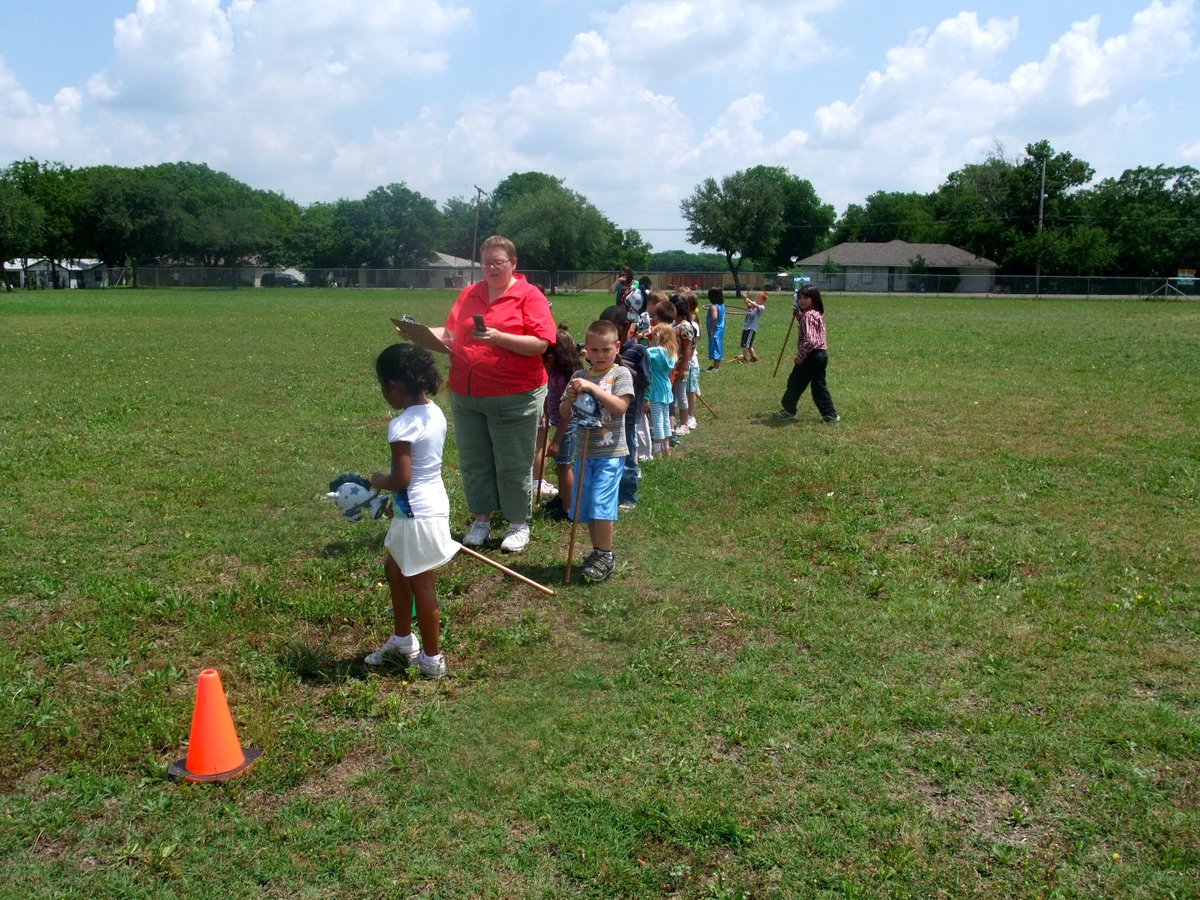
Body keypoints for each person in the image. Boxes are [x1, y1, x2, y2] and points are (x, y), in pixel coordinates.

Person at [427, 236, 557, 553]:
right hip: (467, 392)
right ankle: (481, 520)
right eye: (485, 262)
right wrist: (419, 334)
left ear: (513, 263)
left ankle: (517, 525)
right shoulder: (470, 294)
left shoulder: (530, 296)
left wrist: (499, 337)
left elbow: (541, 343)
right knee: (474, 460)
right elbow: (451, 335)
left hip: (514, 393)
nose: (490, 268)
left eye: (498, 261)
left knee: (513, 463)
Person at [365, 343, 458, 678]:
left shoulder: (402, 424)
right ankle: (403, 640)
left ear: (394, 385)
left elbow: (402, 478)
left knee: (422, 585)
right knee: (395, 569)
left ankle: (432, 659)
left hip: (418, 511)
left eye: (382, 385)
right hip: (429, 504)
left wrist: (378, 480)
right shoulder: (434, 412)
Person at [559, 320, 634, 582]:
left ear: (617, 347)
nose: (600, 356)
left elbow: (619, 407)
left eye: (606, 350)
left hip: (610, 453)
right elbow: (564, 413)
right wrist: (570, 397)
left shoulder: (620, 374)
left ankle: (607, 555)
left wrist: (594, 388)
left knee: (602, 503)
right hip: (585, 452)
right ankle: (597, 551)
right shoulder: (579, 377)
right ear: (585, 351)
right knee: (588, 504)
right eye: (595, 350)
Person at [599, 304, 648, 508]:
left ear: (625, 326)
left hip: (628, 412)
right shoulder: (605, 350)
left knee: (627, 454)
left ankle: (628, 495)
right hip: (606, 412)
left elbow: (645, 380)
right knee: (607, 452)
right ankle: (608, 490)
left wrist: (622, 364)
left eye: (610, 329)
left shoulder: (638, 351)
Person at [776, 285, 840, 423]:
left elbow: (810, 340)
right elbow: (811, 330)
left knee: (795, 382)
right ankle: (830, 414)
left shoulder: (808, 316)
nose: (801, 301)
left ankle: (789, 410)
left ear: (814, 299)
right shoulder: (816, 314)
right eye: (799, 298)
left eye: (805, 298)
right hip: (821, 355)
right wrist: (799, 316)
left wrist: (800, 356)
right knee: (818, 385)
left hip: (811, 355)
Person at [539, 324, 583, 521]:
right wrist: (547, 408)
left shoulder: (567, 378)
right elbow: (553, 398)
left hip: (568, 425)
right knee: (560, 465)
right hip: (559, 422)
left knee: (564, 466)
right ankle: (562, 497)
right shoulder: (556, 372)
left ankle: (569, 508)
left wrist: (556, 440)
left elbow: (568, 414)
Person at [646, 323, 679, 458]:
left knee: (657, 419)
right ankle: (666, 448)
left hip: (655, 389)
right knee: (665, 419)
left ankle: (657, 450)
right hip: (666, 387)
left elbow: (644, 352)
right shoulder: (671, 353)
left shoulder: (655, 351)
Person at [739, 290, 766, 362]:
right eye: (756, 297)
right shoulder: (753, 305)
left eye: (758, 298)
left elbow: (755, 305)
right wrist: (745, 298)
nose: (756, 299)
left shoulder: (762, 307)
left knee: (746, 345)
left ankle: (745, 359)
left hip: (751, 328)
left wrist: (749, 300)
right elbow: (748, 304)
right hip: (746, 327)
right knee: (746, 344)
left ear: (763, 300)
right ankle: (754, 357)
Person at [705, 287, 726, 371]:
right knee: (718, 346)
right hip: (720, 329)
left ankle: (715, 368)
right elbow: (724, 318)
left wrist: (711, 330)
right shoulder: (722, 306)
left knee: (715, 348)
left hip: (715, 330)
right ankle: (715, 366)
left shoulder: (713, 307)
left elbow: (714, 318)